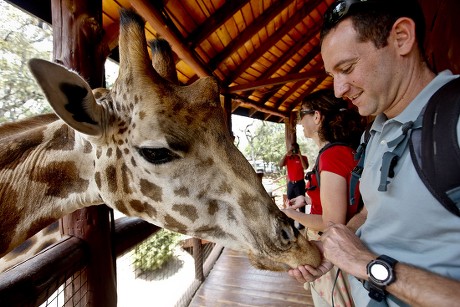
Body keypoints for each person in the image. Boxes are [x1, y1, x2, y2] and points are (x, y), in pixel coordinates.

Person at [288, 0, 460, 306]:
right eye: (332, 75)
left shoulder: (453, 120)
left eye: (347, 68)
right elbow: (375, 210)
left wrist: (368, 265)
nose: (339, 90)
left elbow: (366, 262)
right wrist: (338, 242)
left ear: (402, 37)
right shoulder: (375, 132)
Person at [283, 89, 364, 307]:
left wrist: (290, 214)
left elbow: (332, 223)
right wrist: (306, 201)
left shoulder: (332, 155)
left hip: (331, 247)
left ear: (317, 117)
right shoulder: (341, 151)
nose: (300, 122)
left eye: (302, 115)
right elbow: (344, 197)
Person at [279, 142, 309, 226]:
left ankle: (302, 224)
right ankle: (291, 223)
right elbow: (280, 165)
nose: (294, 151)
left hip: (300, 183)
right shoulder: (288, 158)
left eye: (295, 149)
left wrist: (299, 155)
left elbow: (305, 167)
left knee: (302, 203)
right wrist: (286, 154)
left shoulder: (303, 157)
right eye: (292, 149)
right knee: (290, 203)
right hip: (291, 184)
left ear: (298, 149)